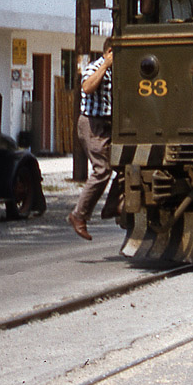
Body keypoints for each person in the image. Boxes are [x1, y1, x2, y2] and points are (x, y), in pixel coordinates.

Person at [69, 39, 121, 240]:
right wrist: (106, 65)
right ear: (109, 51)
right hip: (92, 124)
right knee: (102, 169)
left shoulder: (115, 71)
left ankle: (112, 206)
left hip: (107, 125)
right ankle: (78, 215)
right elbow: (87, 87)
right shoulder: (95, 67)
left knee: (124, 163)